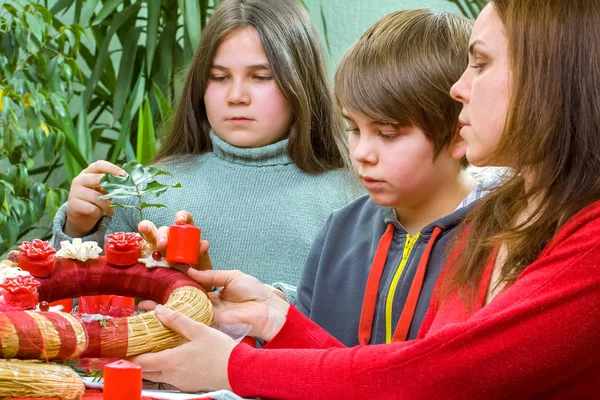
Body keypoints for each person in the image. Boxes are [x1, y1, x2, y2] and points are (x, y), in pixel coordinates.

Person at [132, 1, 600, 398]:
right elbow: (387, 372)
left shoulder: (575, 240)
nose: (459, 89)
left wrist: (234, 367)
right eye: (354, 129)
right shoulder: (521, 217)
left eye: (479, 63)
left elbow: (429, 377)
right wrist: (275, 317)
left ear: (549, 75)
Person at [51, 0, 362, 301]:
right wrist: (79, 228)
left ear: (301, 82)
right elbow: (81, 310)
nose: (236, 95)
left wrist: (277, 308)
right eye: (219, 77)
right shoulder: (146, 189)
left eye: (261, 77)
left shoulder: (354, 199)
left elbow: (363, 327)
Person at [295, 9, 496, 346]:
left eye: (387, 134)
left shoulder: (496, 243)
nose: (361, 153)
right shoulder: (340, 229)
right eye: (353, 128)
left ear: (458, 136)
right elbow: (298, 355)